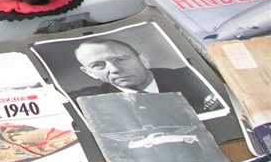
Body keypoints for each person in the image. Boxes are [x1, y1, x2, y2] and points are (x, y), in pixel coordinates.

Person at [72, 38, 223, 114]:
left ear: (143, 60)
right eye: (98, 65)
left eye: (120, 59)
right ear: (90, 73)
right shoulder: (92, 104)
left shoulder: (191, 76)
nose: (115, 69)